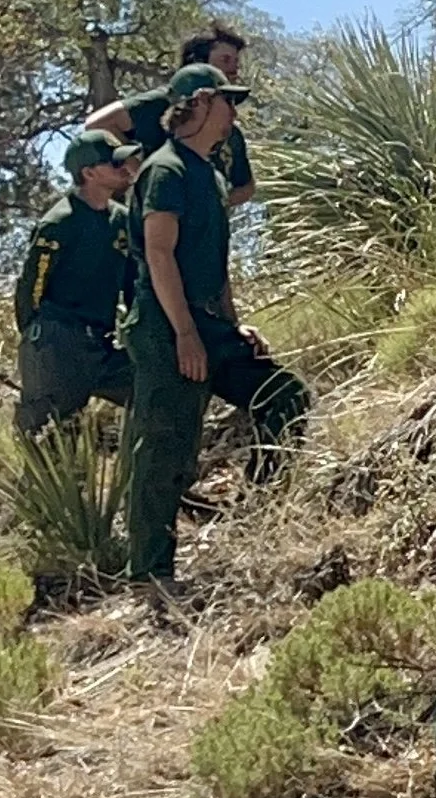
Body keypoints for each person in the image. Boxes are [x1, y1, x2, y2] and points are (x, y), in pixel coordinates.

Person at [122, 65, 310, 591]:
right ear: (199, 103)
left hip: (206, 323)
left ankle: (258, 516)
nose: (234, 110)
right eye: (227, 100)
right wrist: (184, 334)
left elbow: (216, 264)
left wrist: (233, 325)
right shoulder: (165, 171)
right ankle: (150, 572)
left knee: (284, 396)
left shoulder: (210, 174)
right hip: (166, 328)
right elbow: (160, 254)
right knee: (167, 446)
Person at [13, 133, 138, 437]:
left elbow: (133, 280)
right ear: (89, 173)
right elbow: (31, 287)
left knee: (155, 389)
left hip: (102, 343)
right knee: (51, 445)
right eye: (114, 162)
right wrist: (38, 335)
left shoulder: (122, 220)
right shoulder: (60, 223)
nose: (124, 167)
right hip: (59, 344)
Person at [85, 22, 260, 210]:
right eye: (225, 60)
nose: (234, 71)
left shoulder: (230, 133)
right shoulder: (163, 101)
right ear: (198, 61)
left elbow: (247, 187)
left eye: (236, 63)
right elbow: (98, 123)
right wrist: (143, 174)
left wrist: (212, 203)